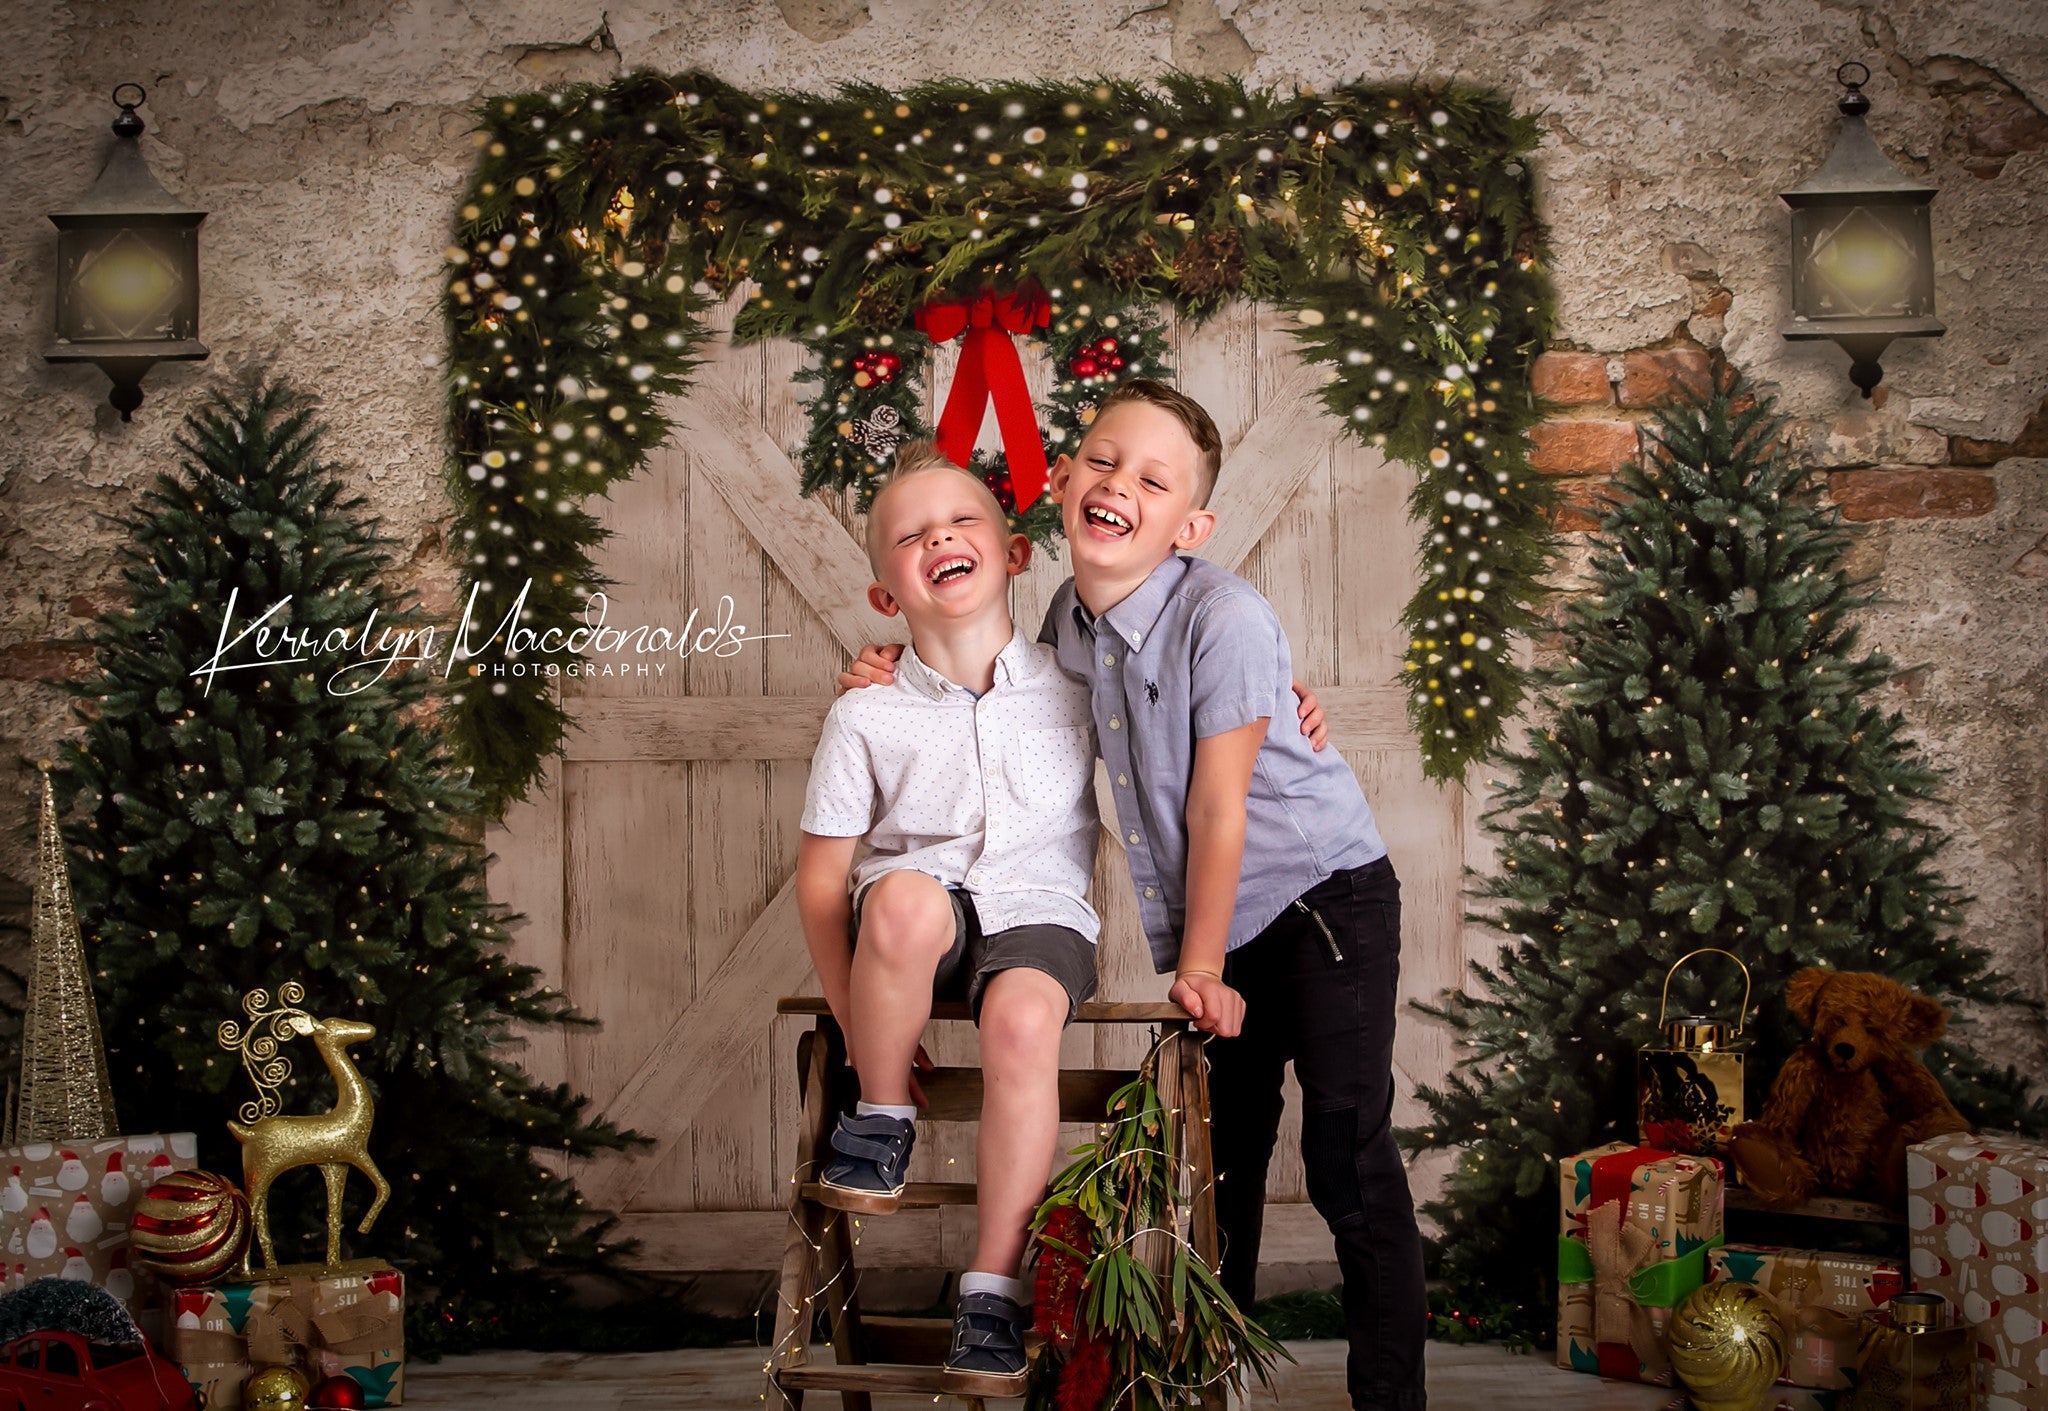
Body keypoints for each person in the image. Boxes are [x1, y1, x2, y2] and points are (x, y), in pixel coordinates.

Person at [845, 382, 1427, 1410]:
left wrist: (1197, 966)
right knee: (1222, 1163)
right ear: (1060, 481)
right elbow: (989, 675)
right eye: (1102, 462)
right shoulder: (1070, 616)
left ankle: (1392, 1397)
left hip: (1322, 903)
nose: (1118, 485)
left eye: (1152, 481)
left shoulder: (1226, 617)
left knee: (1344, 1151)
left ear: (1190, 527)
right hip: (1223, 922)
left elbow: (1218, 812)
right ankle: (1212, 1384)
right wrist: (889, 671)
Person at [794, 442, 1101, 1397]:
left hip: (1041, 912)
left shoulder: (1083, 689)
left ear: (1013, 551)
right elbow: (820, 881)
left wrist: (1290, 708)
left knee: (1019, 1020)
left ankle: (991, 1290)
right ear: (888, 593)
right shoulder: (866, 713)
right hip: (920, 921)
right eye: (910, 535)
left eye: (961, 523)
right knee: (905, 896)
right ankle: (881, 1116)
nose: (939, 539)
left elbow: (1194, 745)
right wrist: (856, 1024)